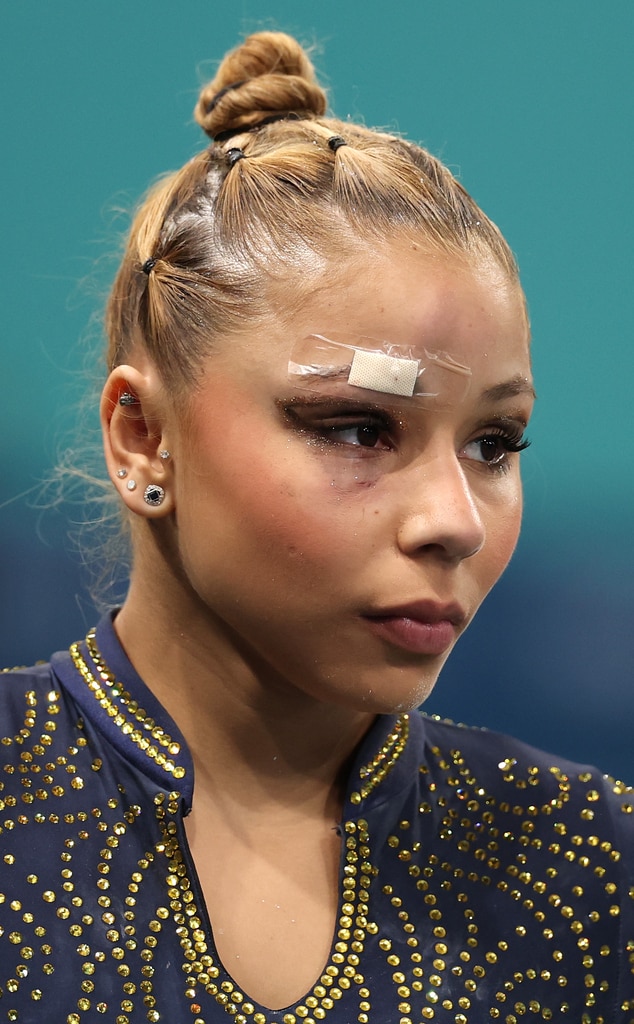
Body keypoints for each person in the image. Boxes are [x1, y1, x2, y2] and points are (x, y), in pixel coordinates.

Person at [1, 30, 632, 1024]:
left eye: (494, 443)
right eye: (357, 427)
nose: (453, 521)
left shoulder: (591, 864)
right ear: (142, 436)